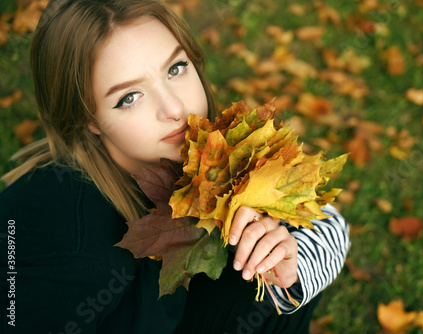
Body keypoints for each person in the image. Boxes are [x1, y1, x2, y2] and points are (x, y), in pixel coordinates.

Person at [0, 0, 350, 333]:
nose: (174, 107)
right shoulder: (81, 258)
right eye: (129, 97)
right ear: (87, 119)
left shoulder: (195, 154)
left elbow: (330, 223)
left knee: (273, 296)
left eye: (175, 68)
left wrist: (288, 259)